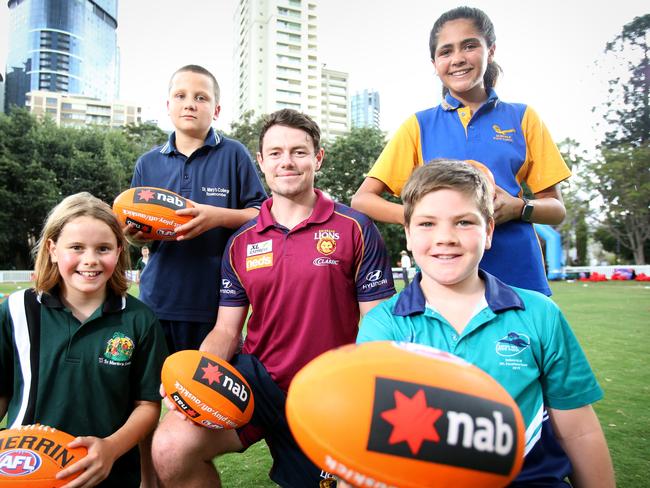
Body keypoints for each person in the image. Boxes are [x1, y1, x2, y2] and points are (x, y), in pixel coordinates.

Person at [152, 109, 396, 487]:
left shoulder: (356, 228)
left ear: (318, 158)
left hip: (329, 390)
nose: (287, 161)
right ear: (262, 161)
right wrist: (192, 378)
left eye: (299, 152)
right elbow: (226, 330)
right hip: (259, 383)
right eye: (276, 152)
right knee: (170, 446)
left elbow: (378, 325)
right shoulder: (241, 241)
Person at [357, 161, 615, 488]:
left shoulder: (539, 314)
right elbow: (369, 445)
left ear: (489, 231)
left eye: (464, 222)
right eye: (427, 224)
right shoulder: (384, 326)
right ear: (407, 233)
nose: (445, 238)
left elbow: (578, 430)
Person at [351, 6, 570, 296]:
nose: (458, 59)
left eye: (469, 46)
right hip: (444, 277)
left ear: (490, 51)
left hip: (518, 275)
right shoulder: (419, 125)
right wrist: (426, 217)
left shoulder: (523, 117)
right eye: (446, 51)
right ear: (434, 62)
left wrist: (519, 208)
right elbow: (363, 200)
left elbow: (556, 210)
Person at [0, 192, 168, 487]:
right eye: (76, 247)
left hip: (109, 473)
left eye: (103, 248)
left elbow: (147, 405)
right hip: (24, 470)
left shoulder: (139, 319)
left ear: (118, 251)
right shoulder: (16, 310)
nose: (90, 260)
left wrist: (112, 448)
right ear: (52, 249)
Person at [129, 64, 267, 354]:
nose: (190, 103)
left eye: (201, 97)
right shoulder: (147, 163)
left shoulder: (234, 154)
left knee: (203, 394)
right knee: (151, 391)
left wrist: (217, 216)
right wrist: (134, 235)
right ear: (168, 106)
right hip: (158, 299)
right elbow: (135, 231)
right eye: (180, 96)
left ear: (216, 110)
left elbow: (263, 215)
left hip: (217, 303)